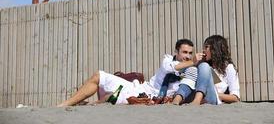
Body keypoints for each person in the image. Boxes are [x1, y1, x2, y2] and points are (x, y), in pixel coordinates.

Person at [57, 39, 195, 107]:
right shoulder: (168, 60)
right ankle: (64, 105)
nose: (187, 56)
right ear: (176, 52)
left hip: (148, 99)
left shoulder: (192, 71)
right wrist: (193, 61)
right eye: (184, 52)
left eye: (190, 53)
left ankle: (91, 105)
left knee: (112, 98)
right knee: (99, 75)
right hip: (141, 88)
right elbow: (171, 67)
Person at [172, 35, 240, 105]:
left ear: (215, 49)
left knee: (204, 66)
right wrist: (194, 62)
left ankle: (197, 100)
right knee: (194, 69)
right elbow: (178, 71)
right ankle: (177, 99)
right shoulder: (202, 63)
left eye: (206, 47)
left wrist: (216, 94)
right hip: (193, 95)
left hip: (211, 97)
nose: (203, 50)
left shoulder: (228, 67)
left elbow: (235, 98)